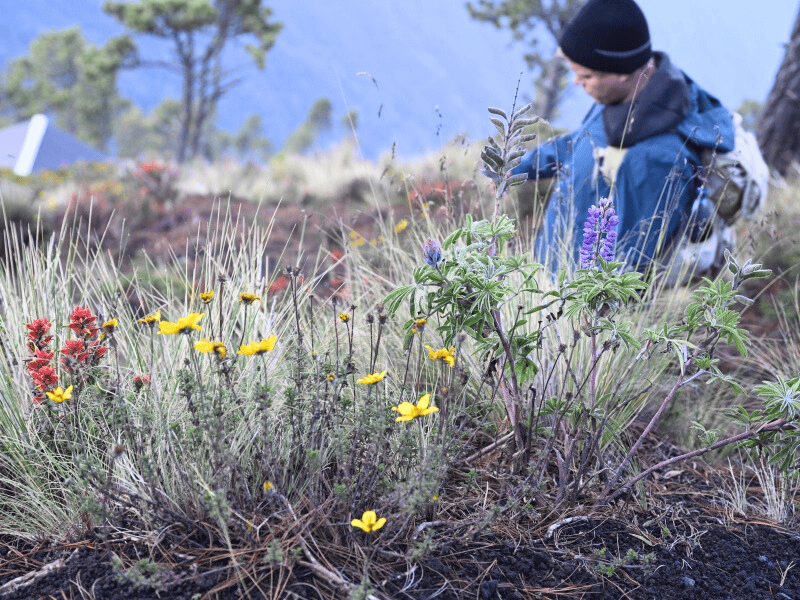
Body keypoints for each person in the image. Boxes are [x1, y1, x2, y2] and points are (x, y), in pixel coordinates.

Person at [512, 0, 736, 277]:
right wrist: (516, 167)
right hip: (554, 275)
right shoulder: (625, 98)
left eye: (585, 75)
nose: (575, 82)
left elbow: (634, 261)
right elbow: (583, 142)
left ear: (620, 73)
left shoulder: (659, 159)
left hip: (582, 300)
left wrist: (589, 307)